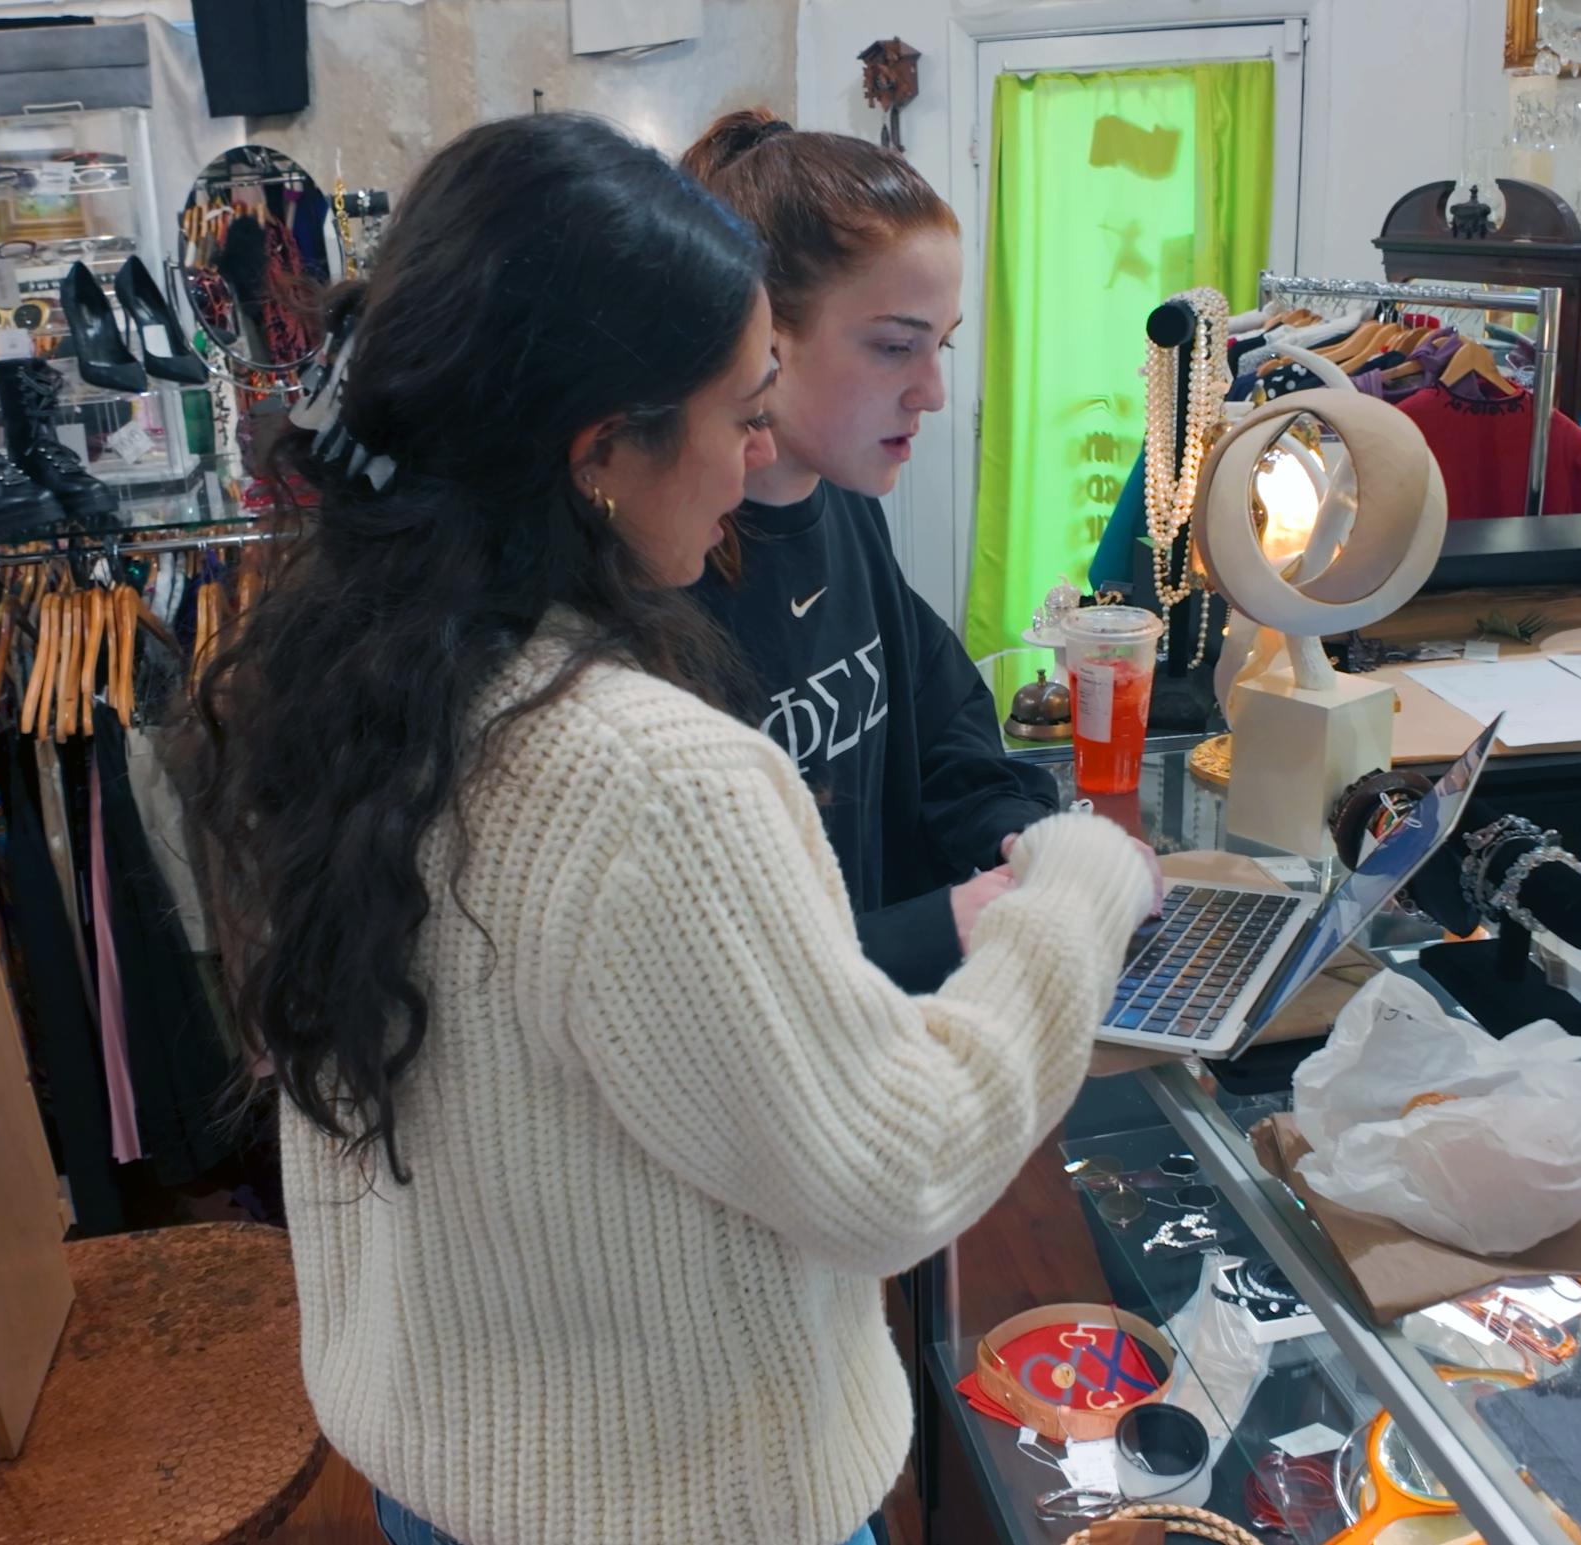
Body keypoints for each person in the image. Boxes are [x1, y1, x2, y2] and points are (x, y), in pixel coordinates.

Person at [183, 114, 1158, 1545]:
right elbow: (899, 1167)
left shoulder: (350, 668)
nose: (756, 450)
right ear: (599, 452)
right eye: (737, 409)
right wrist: (1075, 887)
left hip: (453, 1474)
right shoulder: (645, 777)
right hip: (669, 1501)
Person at [682, 110, 1066, 994]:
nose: (931, 392)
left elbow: (940, 720)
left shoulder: (846, 504)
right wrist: (949, 923)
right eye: (896, 346)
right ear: (762, 337)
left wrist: (1019, 834)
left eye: (942, 345)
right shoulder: (668, 568)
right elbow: (709, 973)